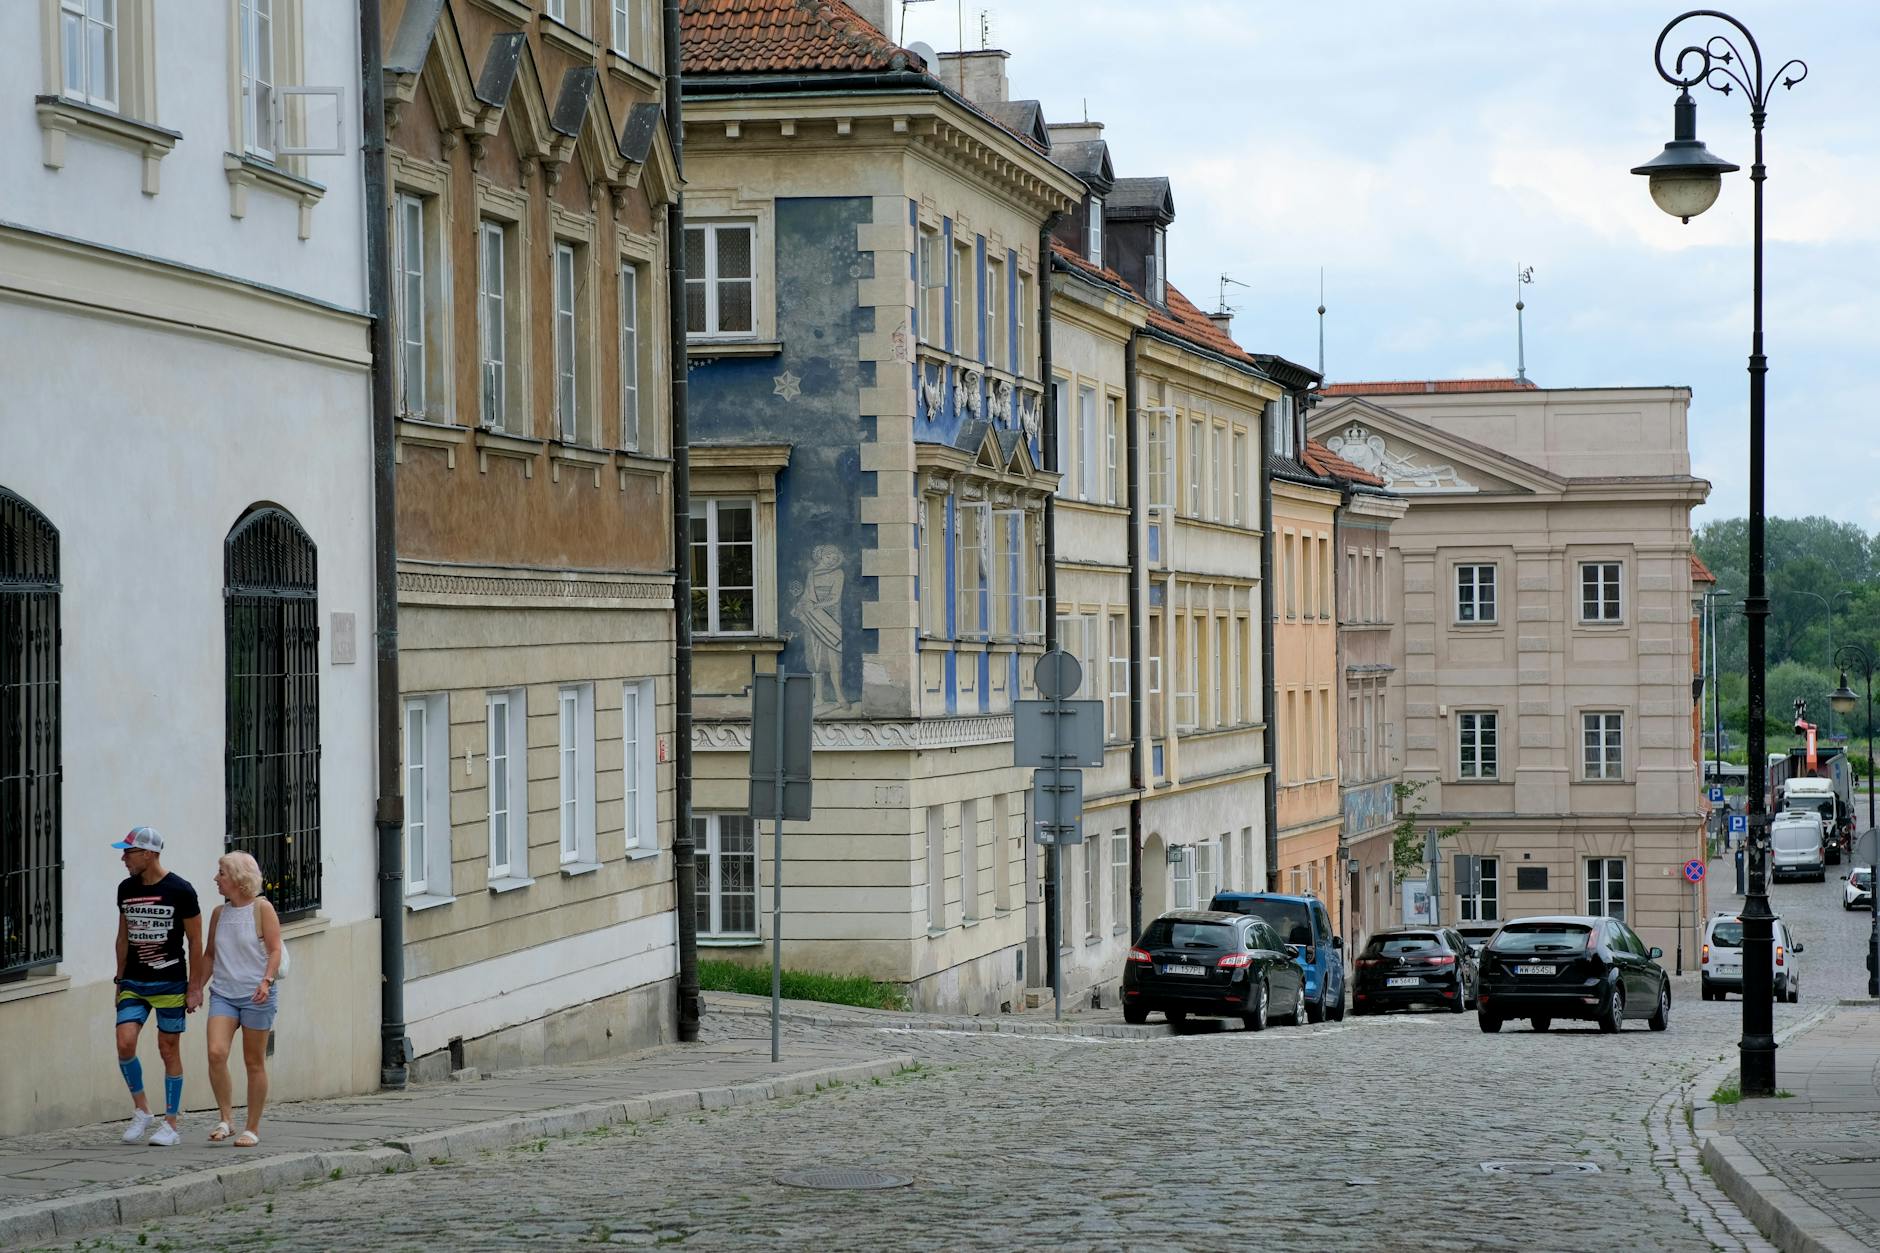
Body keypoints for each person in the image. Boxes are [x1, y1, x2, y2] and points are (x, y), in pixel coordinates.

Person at [112, 826, 203, 1146]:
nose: (123, 858)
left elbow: (195, 941)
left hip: (170, 981)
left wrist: (195, 987)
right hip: (134, 981)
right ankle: (142, 1111)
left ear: (149, 854)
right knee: (125, 1042)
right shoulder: (125, 888)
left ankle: (171, 1124)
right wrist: (119, 979)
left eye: (129, 852)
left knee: (168, 1049)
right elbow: (123, 937)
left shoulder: (181, 890)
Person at [198, 851, 283, 1147]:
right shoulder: (219, 914)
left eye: (221, 873)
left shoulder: (262, 909)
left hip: (256, 995)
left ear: (237, 878)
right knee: (216, 1053)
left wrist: (266, 980)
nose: (216, 878)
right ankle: (226, 1118)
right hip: (223, 993)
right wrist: (196, 987)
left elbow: (275, 950)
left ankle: (253, 1127)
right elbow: (210, 955)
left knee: (253, 1061)